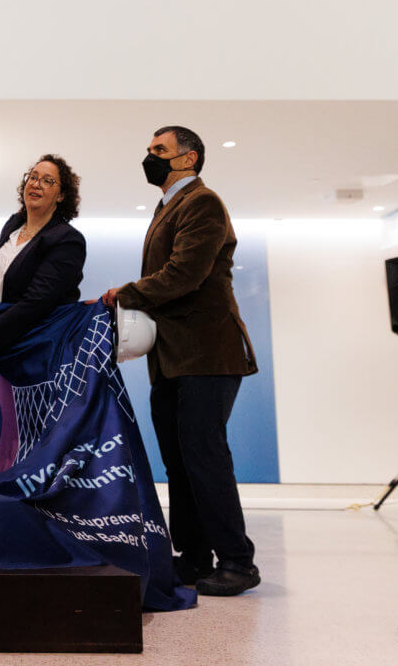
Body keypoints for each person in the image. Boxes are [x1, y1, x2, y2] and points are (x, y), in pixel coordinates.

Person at [100, 125, 260, 597]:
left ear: (188, 160)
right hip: (174, 359)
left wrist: (123, 294)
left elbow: (184, 274)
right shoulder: (168, 207)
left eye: (159, 150)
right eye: (149, 149)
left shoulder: (203, 203)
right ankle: (194, 557)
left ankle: (237, 560)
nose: (149, 157)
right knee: (181, 461)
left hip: (207, 354)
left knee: (204, 457)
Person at [0, 155, 86, 368]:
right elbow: (3, 275)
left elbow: (39, 301)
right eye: (33, 177)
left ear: (61, 195)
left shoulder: (67, 240)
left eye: (48, 181)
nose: (36, 184)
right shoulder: (13, 225)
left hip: (34, 350)